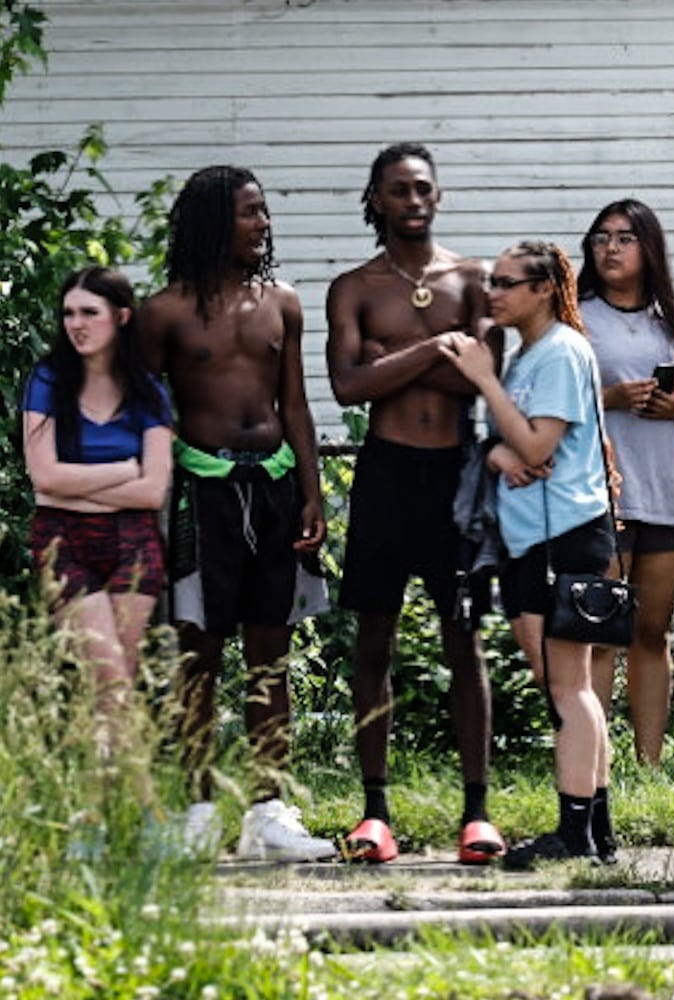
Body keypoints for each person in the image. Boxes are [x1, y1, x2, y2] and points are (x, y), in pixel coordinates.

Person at [140, 165, 334, 862]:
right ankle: (194, 809)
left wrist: (313, 493)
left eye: (265, 212)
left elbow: (298, 406)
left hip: (276, 491)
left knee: (270, 656)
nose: (264, 224)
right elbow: (141, 412)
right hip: (202, 494)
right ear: (215, 222)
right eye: (251, 213)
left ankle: (267, 814)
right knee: (198, 655)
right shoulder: (163, 311)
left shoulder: (281, 301)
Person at [325, 142, 503, 865]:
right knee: (375, 638)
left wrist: (392, 362)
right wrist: (437, 351)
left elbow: (483, 381)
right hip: (387, 473)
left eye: (423, 188)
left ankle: (477, 812)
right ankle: (374, 811)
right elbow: (347, 387)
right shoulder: (356, 288)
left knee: (465, 639)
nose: (413, 200)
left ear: (440, 196)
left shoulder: (474, 279)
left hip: (456, 476)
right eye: (398, 190)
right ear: (376, 201)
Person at [440, 241, 617, 869]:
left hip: (563, 532)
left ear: (545, 288)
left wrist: (483, 379)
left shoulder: (563, 352)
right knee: (563, 685)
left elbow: (539, 445)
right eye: (492, 281)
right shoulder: (530, 355)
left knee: (569, 688)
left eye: (508, 282)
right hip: (532, 537)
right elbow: (513, 443)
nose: (495, 292)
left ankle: (577, 834)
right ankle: (596, 833)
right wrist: (495, 453)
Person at [577, 198, 674, 765]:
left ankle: (650, 762)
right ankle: (592, 765)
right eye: (600, 237)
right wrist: (612, 398)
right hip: (601, 492)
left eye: (624, 238)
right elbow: (547, 399)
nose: (610, 248)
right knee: (602, 629)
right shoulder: (578, 316)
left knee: (652, 631)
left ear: (649, 249)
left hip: (667, 492)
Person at [23, 267, 173, 753]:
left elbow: (153, 492)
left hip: (134, 544)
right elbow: (43, 478)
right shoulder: (48, 380)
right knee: (106, 675)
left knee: (116, 682)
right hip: (64, 542)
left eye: (90, 312)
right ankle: (140, 815)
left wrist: (73, 485)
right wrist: (124, 469)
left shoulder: (148, 391)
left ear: (122, 317)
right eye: (68, 313)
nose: (76, 323)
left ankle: (106, 816)